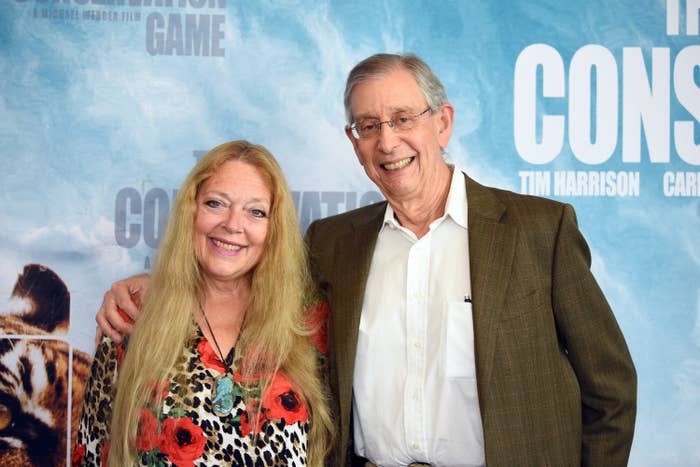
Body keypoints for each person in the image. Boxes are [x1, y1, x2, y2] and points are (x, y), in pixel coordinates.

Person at [96, 54, 637, 467]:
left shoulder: (540, 230)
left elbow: (609, 389)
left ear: (442, 123)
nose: (387, 140)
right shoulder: (333, 244)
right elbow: (250, 281)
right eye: (368, 125)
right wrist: (153, 285)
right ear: (354, 143)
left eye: (403, 118)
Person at [76, 141, 332, 466]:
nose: (232, 224)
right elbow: (92, 451)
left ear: (274, 230)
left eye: (256, 211)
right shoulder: (132, 319)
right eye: (215, 203)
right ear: (191, 212)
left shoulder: (308, 326)